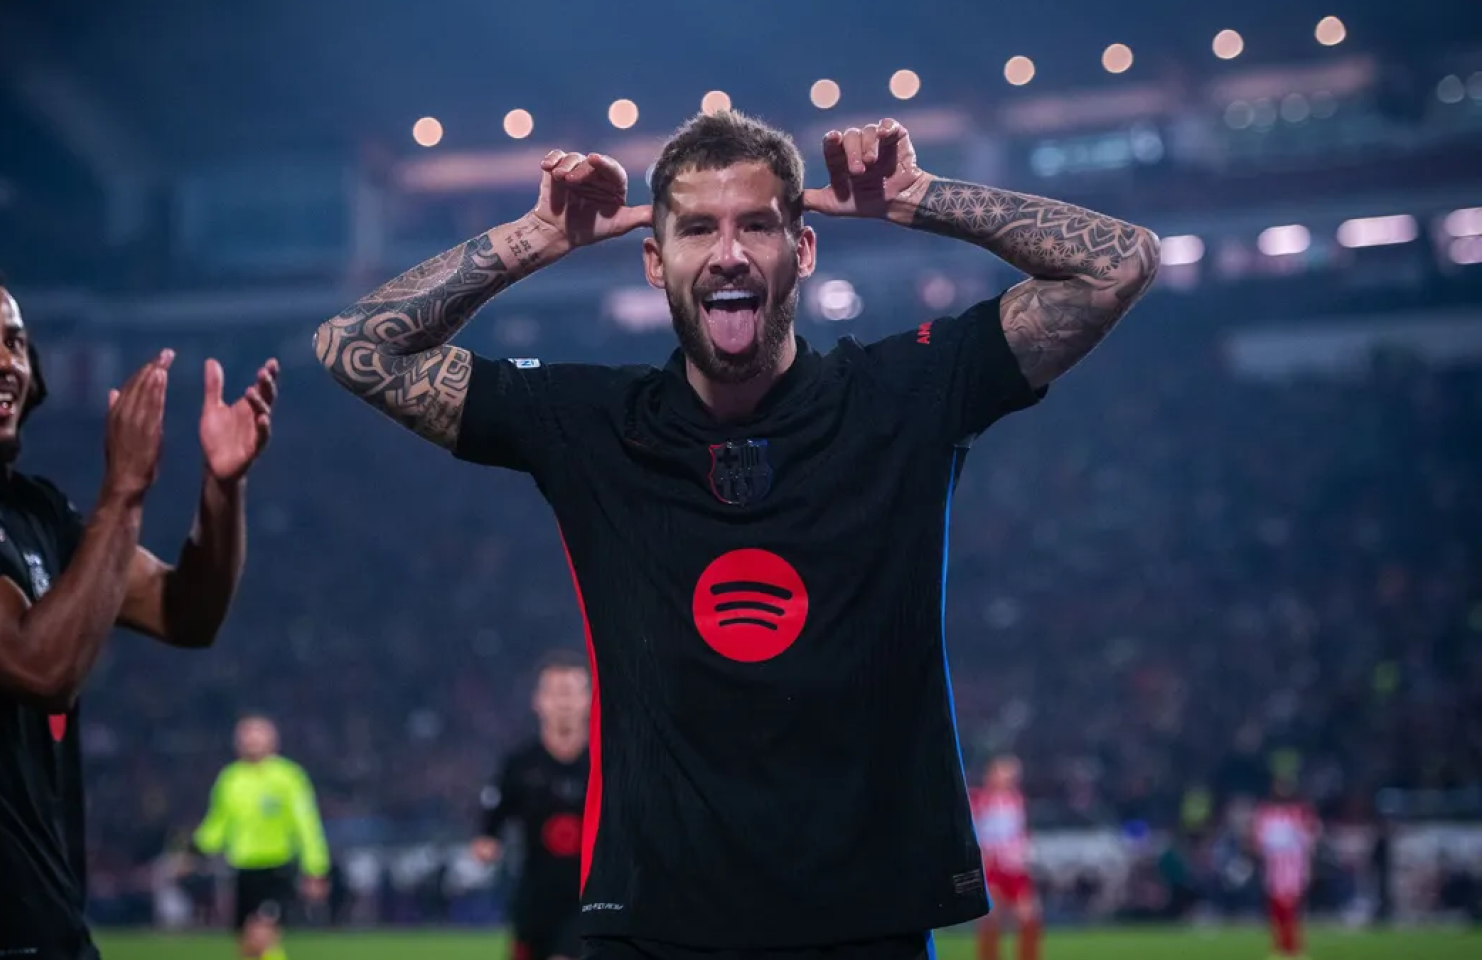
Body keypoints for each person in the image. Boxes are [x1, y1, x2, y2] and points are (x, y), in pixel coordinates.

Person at [313, 110, 1159, 958]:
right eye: (695, 230)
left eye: (756, 224)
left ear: (805, 248)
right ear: (654, 260)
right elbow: (353, 347)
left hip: (862, 928)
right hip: (654, 932)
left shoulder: (904, 394)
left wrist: (921, 197)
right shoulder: (590, 424)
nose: (728, 253)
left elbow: (1119, 263)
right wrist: (537, 237)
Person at [0, 257, 278, 960]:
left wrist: (222, 491)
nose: (4, 360)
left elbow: (186, 615)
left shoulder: (32, 509)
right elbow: (39, 667)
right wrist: (123, 492)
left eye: (12, 339)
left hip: (45, 911)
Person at [473, 651, 593, 960]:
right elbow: (493, 817)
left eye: (571, 691)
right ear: (538, 701)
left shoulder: (606, 764)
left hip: (589, 898)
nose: (563, 702)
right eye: (554, 692)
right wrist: (487, 841)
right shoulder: (521, 765)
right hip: (534, 899)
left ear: (589, 699)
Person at [191, 715, 331, 960]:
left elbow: (307, 826)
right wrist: (193, 850)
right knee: (248, 948)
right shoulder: (230, 779)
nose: (251, 739)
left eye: (258, 733)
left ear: (273, 739)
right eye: (246, 733)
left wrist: (315, 869)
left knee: (261, 936)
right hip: (243, 871)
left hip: (276, 869)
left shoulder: (288, 777)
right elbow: (217, 824)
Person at [969, 756, 1040, 960]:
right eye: (1004, 772)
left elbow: (1019, 832)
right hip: (993, 867)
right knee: (991, 919)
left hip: (1015, 867)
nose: (1010, 776)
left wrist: (1024, 850)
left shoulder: (1016, 800)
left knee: (1029, 918)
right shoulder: (979, 799)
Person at [1252, 778, 1320, 959]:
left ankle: (1294, 947)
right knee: (1276, 907)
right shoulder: (1265, 812)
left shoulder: (1300, 812)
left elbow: (1310, 835)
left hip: (1294, 864)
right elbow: (1258, 838)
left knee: (1291, 906)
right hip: (1273, 864)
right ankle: (1280, 946)